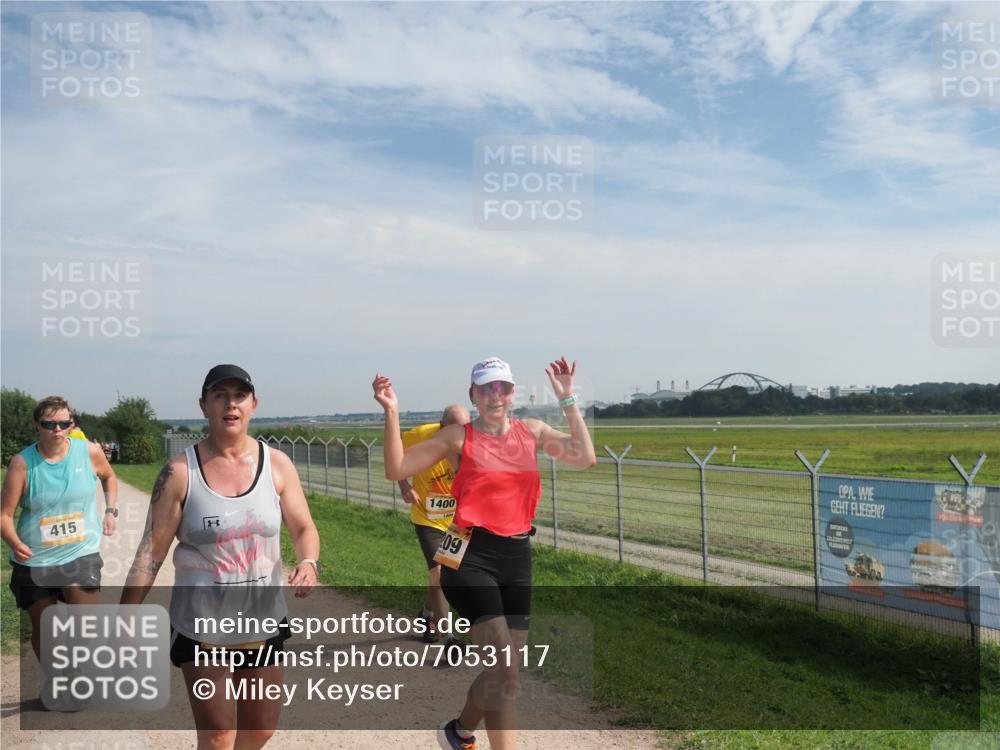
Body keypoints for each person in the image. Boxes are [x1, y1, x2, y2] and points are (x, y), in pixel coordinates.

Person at [373, 356, 596, 750]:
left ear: (512, 394)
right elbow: (396, 468)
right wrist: (392, 412)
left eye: (503, 387)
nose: (496, 394)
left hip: (517, 557)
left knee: (502, 673)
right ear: (473, 395)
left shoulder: (533, 430)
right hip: (469, 555)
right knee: (506, 672)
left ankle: (459, 730)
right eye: (487, 387)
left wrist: (568, 399)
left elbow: (584, 457)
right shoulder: (458, 437)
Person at [122, 365, 320, 750]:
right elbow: (152, 551)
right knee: (217, 734)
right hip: (201, 620)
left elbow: (303, 528)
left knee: (259, 728)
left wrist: (309, 561)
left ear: (254, 404)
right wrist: (126, 615)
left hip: (261, 616)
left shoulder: (277, 464)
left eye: (239, 395)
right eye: (220, 395)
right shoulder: (180, 472)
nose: (231, 403)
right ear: (204, 405)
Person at [1, 396, 118, 660]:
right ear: (36, 425)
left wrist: (111, 511)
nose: (57, 430)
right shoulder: (22, 464)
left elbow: (109, 476)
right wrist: (14, 542)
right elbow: (4, 515)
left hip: (80, 552)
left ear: (71, 424)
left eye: (64, 423)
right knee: (47, 630)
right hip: (36, 559)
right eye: (49, 424)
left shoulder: (89, 452)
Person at [398, 405, 470, 648]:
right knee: (439, 573)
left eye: (463, 430)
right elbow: (394, 454)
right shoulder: (421, 434)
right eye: (453, 430)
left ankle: (427, 615)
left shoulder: (472, 439)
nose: (458, 437)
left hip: (457, 520)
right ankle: (449, 637)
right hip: (427, 518)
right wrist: (404, 485)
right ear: (441, 427)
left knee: (444, 576)